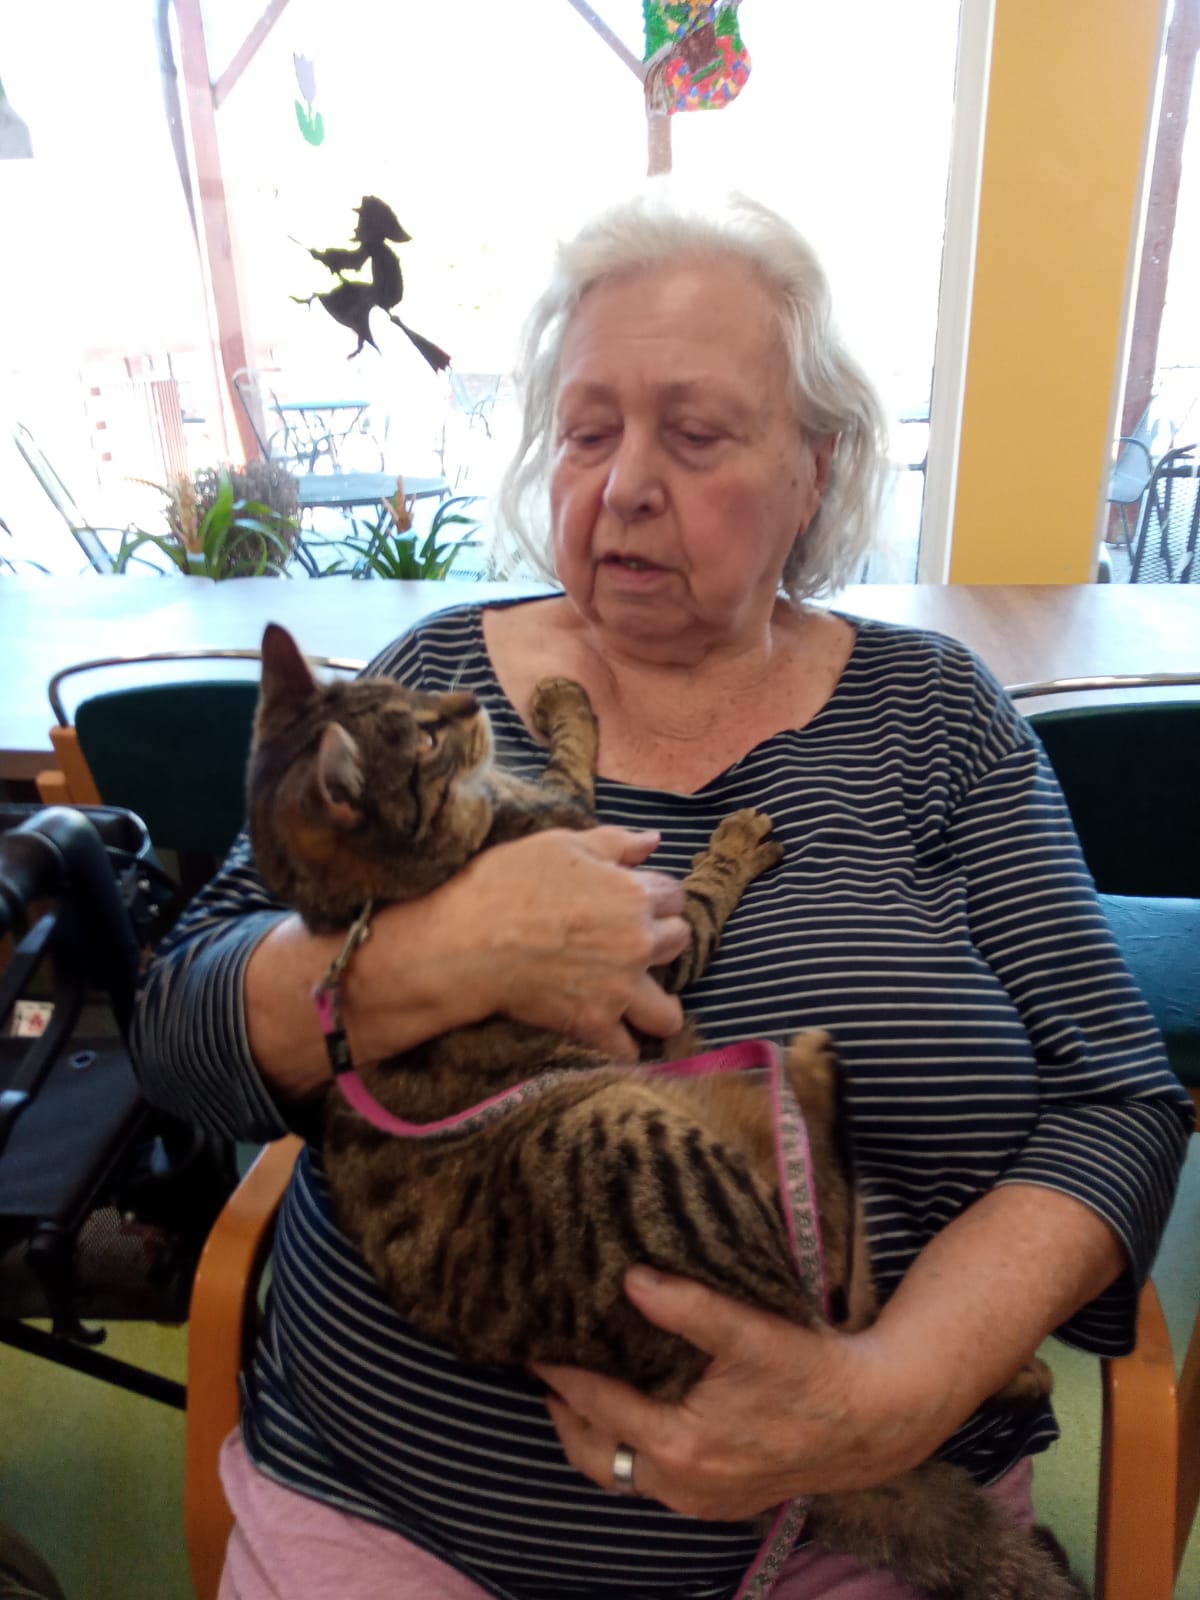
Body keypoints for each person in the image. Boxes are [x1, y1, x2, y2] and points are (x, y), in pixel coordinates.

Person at [132, 190, 1192, 1600]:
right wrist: (427, 961)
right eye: (586, 432)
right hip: (396, 1517)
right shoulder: (430, 682)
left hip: (869, 1515)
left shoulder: (939, 715)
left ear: (814, 469)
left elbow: (1120, 1096)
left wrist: (884, 1396)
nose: (625, 484)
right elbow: (176, 1023)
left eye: (695, 436)